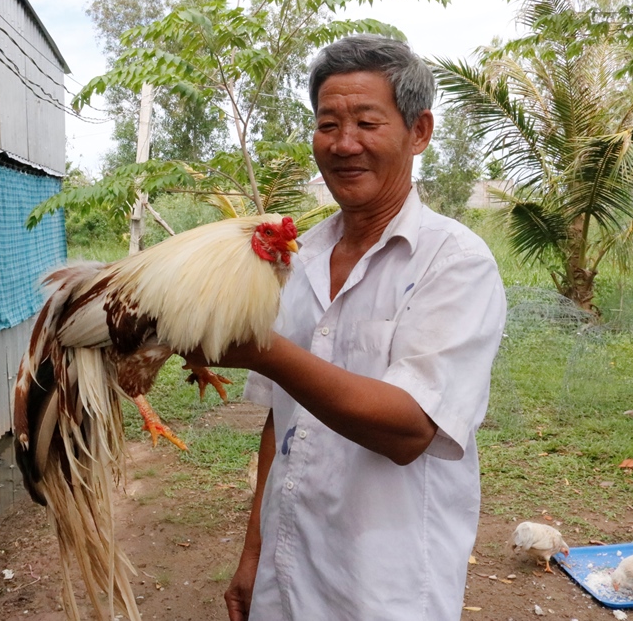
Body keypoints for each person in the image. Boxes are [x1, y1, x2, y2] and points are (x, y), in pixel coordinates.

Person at [185, 35, 507, 620]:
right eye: (327, 123)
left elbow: (410, 430)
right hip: (290, 568)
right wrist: (254, 550)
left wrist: (263, 351)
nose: (344, 144)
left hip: (386, 584)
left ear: (419, 132)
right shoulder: (297, 257)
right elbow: (282, 419)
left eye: (366, 121)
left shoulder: (454, 262)